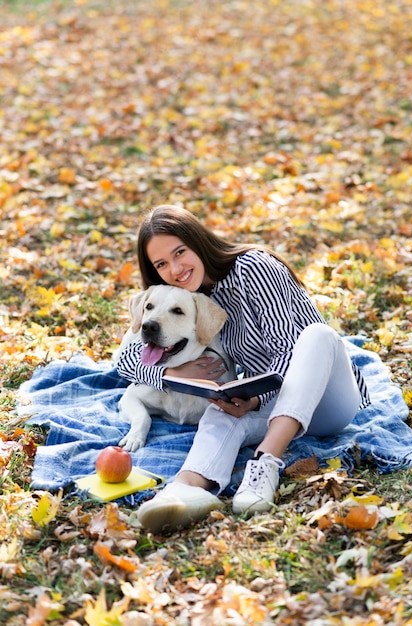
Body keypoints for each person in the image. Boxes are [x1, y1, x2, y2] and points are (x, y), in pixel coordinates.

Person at [116, 204, 370, 534]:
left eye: (180, 252)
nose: (175, 268)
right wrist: (173, 375)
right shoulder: (191, 301)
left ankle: (264, 466)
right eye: (162, 263)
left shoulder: (253, 267)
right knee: (220, 406)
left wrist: (255, 398)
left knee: (319, 335)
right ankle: (187, 487)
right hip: (268, 406)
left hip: (327, 401)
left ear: (198, 241)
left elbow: (286, 351)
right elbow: (125, 360)